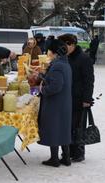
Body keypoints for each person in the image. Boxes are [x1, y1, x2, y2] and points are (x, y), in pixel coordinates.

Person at [58, 34, 94, 162]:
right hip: (65, 98)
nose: (61, 48)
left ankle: (78, 153)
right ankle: (67, 152)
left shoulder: (84, 58)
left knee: (78, 127)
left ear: (71, 44)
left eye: (63, 45)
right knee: (66, 126)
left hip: (78, 99)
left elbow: (89, 81)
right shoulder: (63, 57)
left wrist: (87, 99)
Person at [37, 39, 72, 167]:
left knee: (54, 129)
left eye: (49, 50)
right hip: (63, 103)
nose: (47, 53)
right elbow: (55, 80)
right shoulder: (64, 64)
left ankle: (54, 159)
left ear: (53, 52)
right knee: (62, 129)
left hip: (55, 104)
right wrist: (43, 76)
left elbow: (56, 86)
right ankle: (66, 158)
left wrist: (42, 89)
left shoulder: (58, 65)